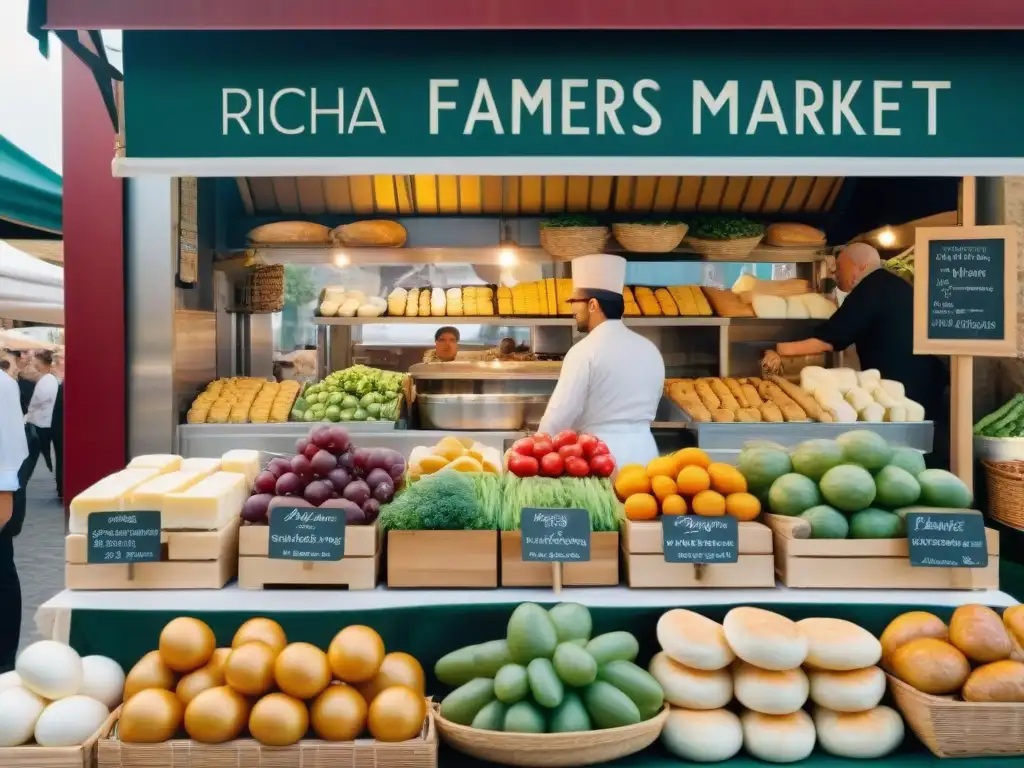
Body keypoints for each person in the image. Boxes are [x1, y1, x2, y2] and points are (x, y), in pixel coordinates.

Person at [771, 242, 949, 467]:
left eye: (840, 266)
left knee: (911, 454)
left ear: (860, 266)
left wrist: (779, 350)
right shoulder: (891, 285)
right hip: (923, 380)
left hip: (906, 385)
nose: (835, 273)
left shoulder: (870, 289)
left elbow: (830, 339)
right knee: (919, 450)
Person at [538, 254, 665, 468]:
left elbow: (560, 414)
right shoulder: (650, 349)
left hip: (598, 458)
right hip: (646, 456)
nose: (572, 311)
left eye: (575, 303)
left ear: (593, 305)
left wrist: (537, 448)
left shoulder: (584, 351)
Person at [0, 355, 29, 672]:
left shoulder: (2, 385)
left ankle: (3, 662)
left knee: (0, 571)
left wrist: (4, 495)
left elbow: (9, 449)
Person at [25, 350, 59, 477]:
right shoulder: (46, 378)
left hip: (40, 422)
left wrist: (30, 408)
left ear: (41, 363)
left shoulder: (48, 379)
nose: (34, 364)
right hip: (40, 420)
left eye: (36, 361)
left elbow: (41, 399)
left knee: (36, 453)